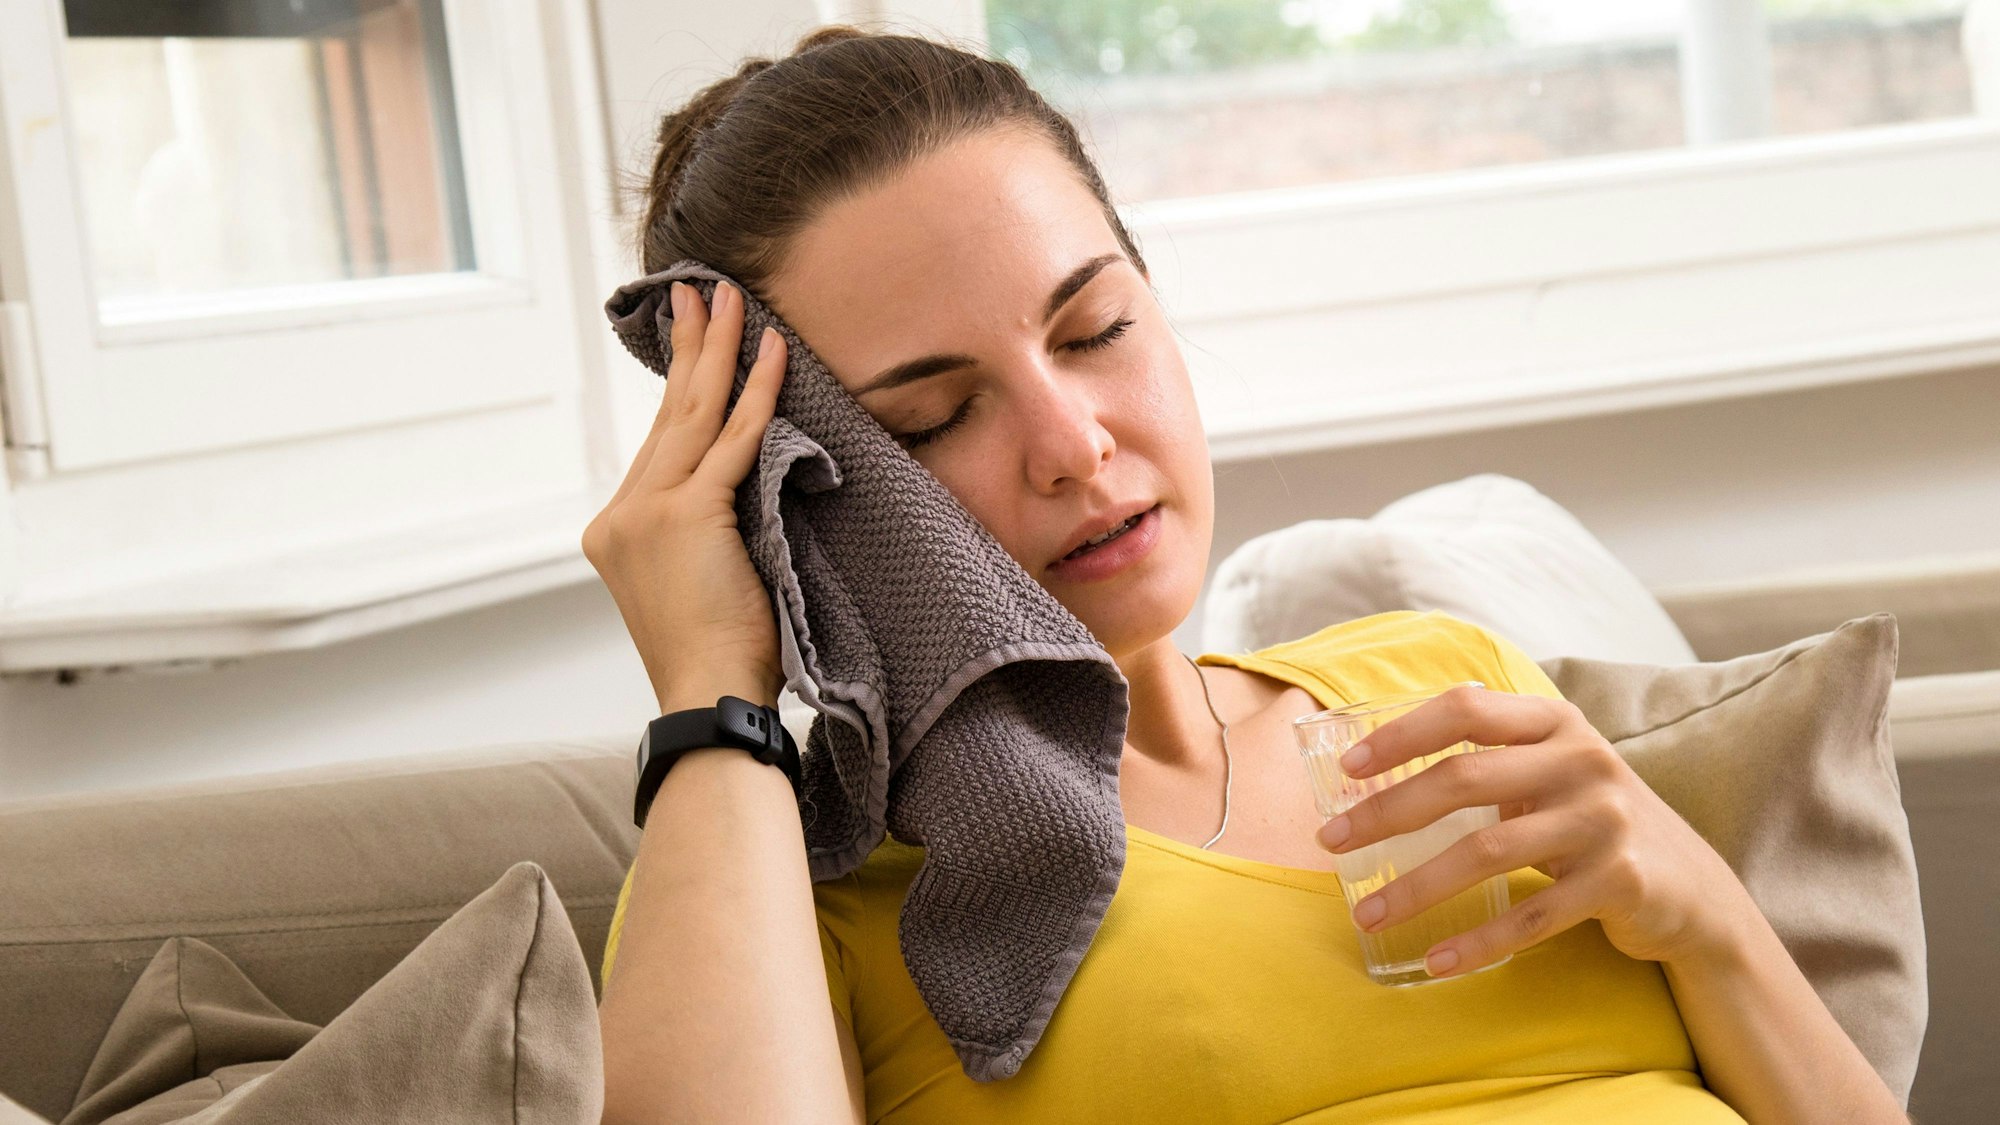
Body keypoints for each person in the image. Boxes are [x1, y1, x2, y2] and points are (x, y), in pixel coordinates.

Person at [581, 24, 1908, 1125]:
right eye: (935, 415)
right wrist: (710, 687)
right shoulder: (808, 898)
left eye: (1094, 327)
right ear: (806, 495)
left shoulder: (1445, 678)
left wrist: (1706, 916)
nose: (1074, 442)